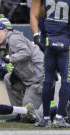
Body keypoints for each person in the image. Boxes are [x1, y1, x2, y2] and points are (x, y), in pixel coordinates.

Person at [0, 18, 43, 122]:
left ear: (5, 30)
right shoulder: (11, 40)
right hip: (31, 78)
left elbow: (27, 53)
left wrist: (9, 59)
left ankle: (58, 112)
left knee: (28, 116)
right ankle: (19, 113)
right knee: (9, 78)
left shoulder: (13, 38)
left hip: (38, 80)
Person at [33, 0, 70, 128]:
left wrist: (44, 37)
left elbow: (41, 17)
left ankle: (46, 118)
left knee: (48, 80)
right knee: (66, 81)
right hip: (65, 44)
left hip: (50, 42)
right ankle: (59, 118)